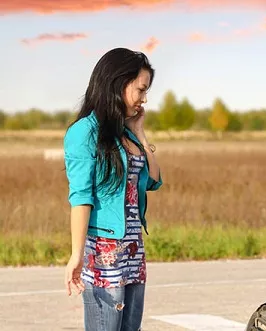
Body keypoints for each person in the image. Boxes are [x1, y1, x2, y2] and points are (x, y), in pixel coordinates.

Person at [62, 47, 163, 331]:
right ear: (118, 82)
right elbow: (81, 198)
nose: (144, 99)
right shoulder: (84, 132)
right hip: (104, 252)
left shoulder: (126, 132)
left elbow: (154, 180)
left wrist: (141, 133)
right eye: (141, 89)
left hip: (132, 248)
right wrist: (76, 255)